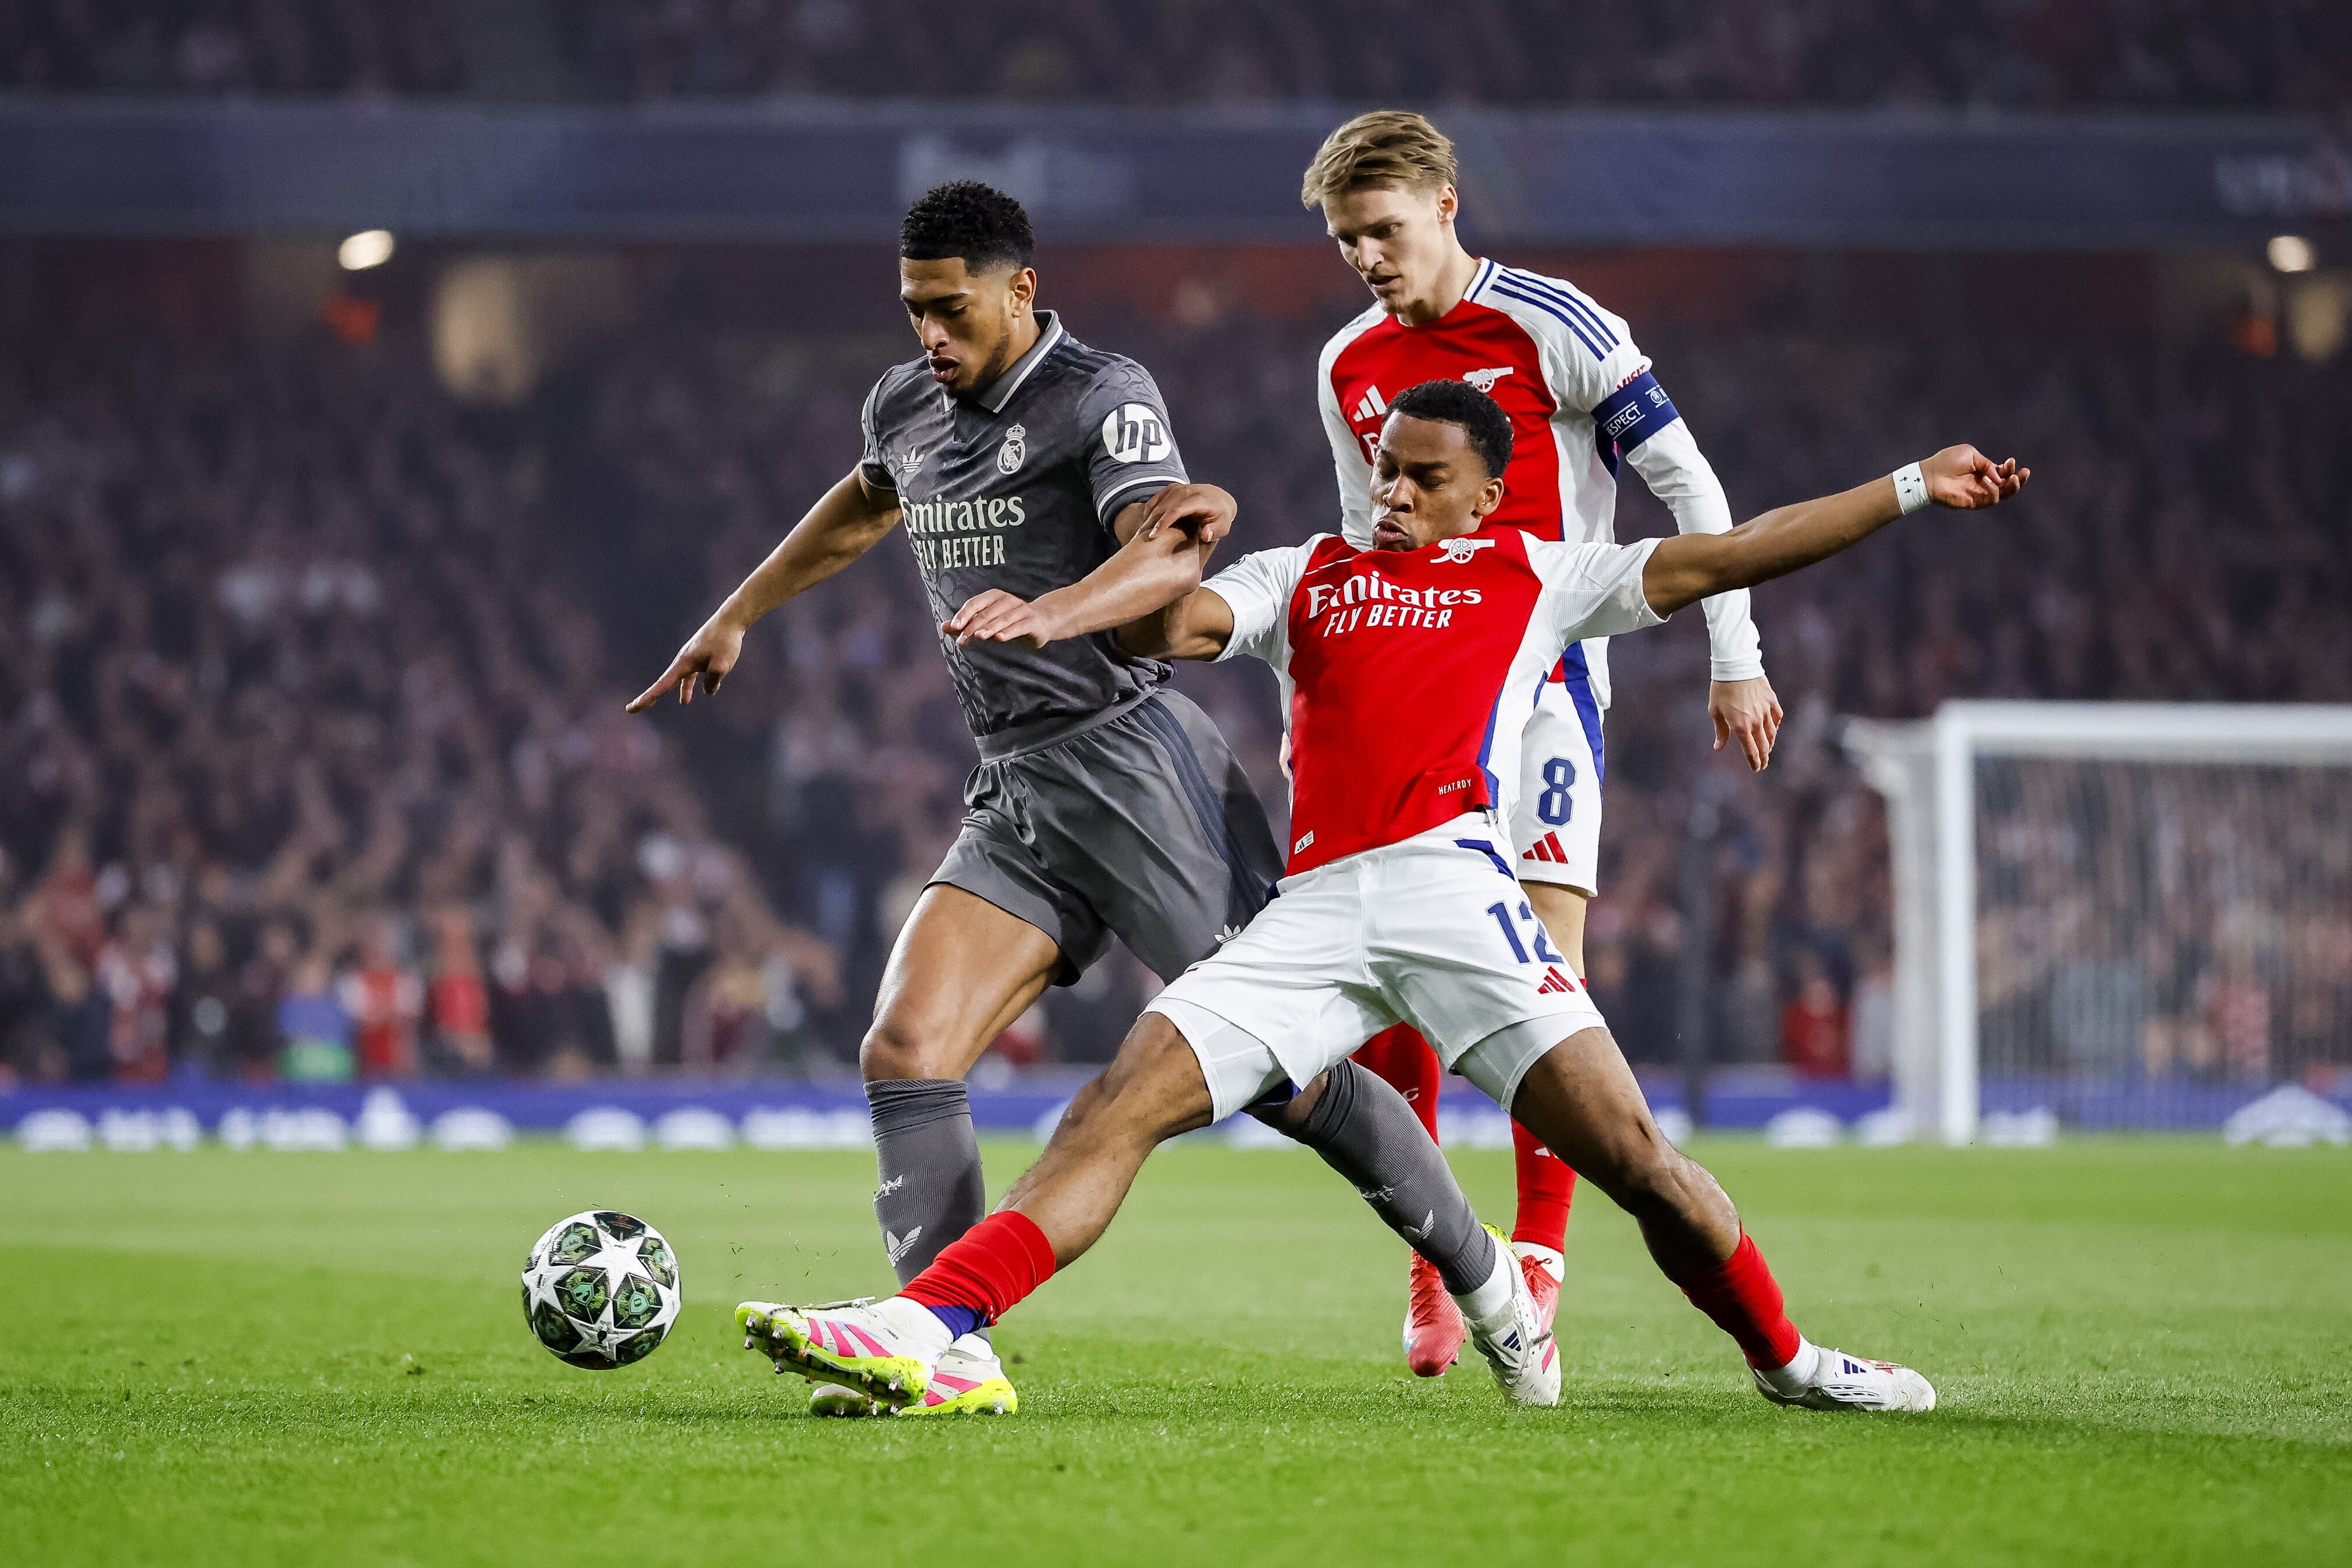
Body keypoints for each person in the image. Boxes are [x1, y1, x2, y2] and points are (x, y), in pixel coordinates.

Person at [738, 381, 2026, 1414]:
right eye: (1380, 466)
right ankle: (926, 1323)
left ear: (1486, 490)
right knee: (1109, 1111)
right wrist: (1148, 557)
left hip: (1459, 898)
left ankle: (1791, 1360)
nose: (1390, 490)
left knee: (1639, 1165)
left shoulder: (1538, 576)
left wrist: (1911, 487)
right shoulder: (1303, 574)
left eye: (1420, 475)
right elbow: (1161, 634)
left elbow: (1739, 548)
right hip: (1315, 911)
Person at [631, 183, 1523, 1417]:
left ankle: (1481, 1279)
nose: (928, 336)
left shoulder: (1100, 397)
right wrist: (738, 610)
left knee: (1292, 1076)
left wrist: (1051, 611)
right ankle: (942, 1348)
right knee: (904, 1045)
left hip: (1134, 760)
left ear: (1019, 292)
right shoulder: (904, 403)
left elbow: (1167, 541)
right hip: (1017, 779)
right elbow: (865, 499)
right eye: (912, 311)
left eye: (951, 310)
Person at [1299, 110, 1783, 1372]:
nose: (1365, 255)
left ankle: (1539, 1262)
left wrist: (1734, 654)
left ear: (1447, 206)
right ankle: (1431, 1257)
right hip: (1421, 689)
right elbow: (1367, 538)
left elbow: (1690, 491)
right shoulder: (1347, 361)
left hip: (1555, 679)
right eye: (1347, 237)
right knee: (1400, 958)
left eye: (1384, 229)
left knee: (1542, 971)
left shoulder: (1557, 328)